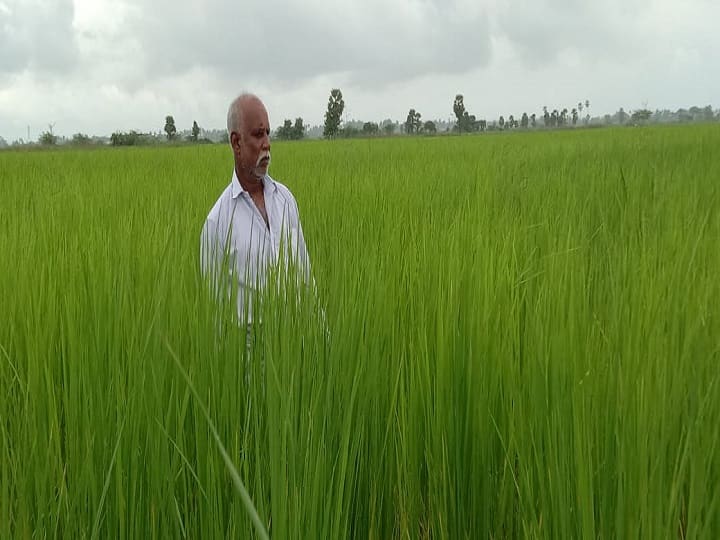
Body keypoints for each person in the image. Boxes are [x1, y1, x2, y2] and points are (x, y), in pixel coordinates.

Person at [200, 93, 311, 326]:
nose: (267, 144)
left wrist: (323, 341)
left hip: (296, 345)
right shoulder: (217, 223)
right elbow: (215, 313)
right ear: (236, 143)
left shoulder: (286, 200)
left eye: (268, 133)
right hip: (249, 355)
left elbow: (307, 280)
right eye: (258, 134)